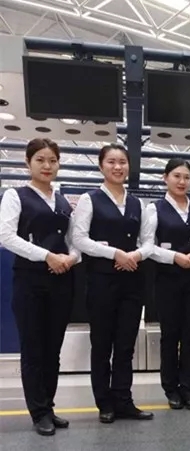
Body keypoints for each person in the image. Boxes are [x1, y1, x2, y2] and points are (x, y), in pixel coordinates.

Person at [0, 138, 79, 436]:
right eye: (40, 160)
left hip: (61, 280)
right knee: (33, 348)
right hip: (30, 280)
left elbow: (73, 240)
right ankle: (38, 412)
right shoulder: (15, 195)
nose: (47, 166)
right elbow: (6, 236)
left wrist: (71, 257)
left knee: (52, 349)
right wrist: (47, 256)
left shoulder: (62, 201)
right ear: (28, 162)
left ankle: (48, 405)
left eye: (53, 160)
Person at [72, 143, 155, 424]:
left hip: (132, 282)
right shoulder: (90, 199)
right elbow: (79, 239)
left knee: (125, 345)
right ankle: (104, 402)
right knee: (102, 344)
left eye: (122, 162)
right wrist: (115, 254)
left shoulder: (138, 204)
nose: (118, 167)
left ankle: (123, 400)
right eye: (111, 161)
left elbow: (148, 241)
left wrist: (135, 255)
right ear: (101, 166)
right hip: (101, 281)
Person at [146, 158, 190, 410]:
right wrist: (174, 257)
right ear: (165, 178)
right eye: (176, 176)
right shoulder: (154, 209)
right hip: (167, 280)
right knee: (170, 335)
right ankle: (170, 388)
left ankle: (188, 388)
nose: (182, 181)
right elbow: (148, 246)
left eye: (186, 177)